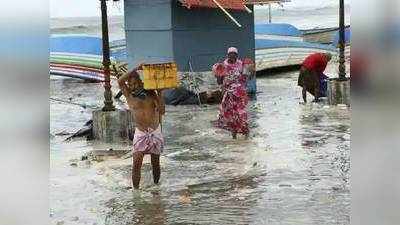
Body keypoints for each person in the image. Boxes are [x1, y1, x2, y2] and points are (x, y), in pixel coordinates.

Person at [118, 65, 165, 189]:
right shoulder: (129, 95)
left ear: (140, 82)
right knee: (136, 163)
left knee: (156, 163)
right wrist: (135, 68)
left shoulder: (151, 93)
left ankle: (156, 187)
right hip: (141, 133)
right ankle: (136, 192)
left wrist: (160, 93)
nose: (133, 87)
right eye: (130, 84)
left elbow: (162, 110)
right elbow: (120, 81)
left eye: (135, 83)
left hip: (155, 131)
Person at [213, 47, 249, 139]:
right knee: (230, 116)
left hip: (240, 94)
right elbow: (219, 82)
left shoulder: (241, 64)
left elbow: (246, 79)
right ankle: (234, 136)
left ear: (237, 55)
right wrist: (218, 76)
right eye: (230, 54)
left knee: (241, 114)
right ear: (227, 55)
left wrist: (248, 73)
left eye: (234, 54)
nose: (232, 56)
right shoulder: (222, 66)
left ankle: (246, 135)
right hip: (228, 94)